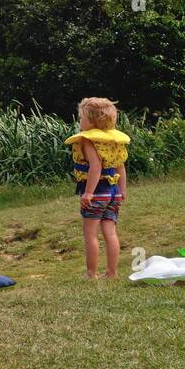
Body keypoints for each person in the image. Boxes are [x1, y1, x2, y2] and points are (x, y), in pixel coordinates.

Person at [64, 97, 130, 279]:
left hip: (97, 192)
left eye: (82, 118)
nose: (80, 122)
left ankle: (91, 273)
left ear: (92, 121)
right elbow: (120, 167)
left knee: (90, 235)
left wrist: (88, 192)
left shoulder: (88, 141)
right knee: (110, 232)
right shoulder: (113, 141)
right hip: (114, 192)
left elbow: (95, 167)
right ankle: (112, 272)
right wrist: (122, 190)